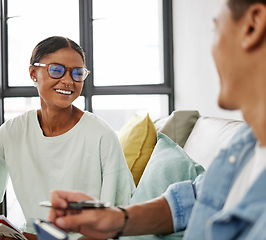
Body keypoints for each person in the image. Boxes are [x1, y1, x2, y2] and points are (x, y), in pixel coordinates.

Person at [48, 0, 266, 239]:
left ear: (253, 26)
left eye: (216, 29)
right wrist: (116, 219)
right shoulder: (245, 145)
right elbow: (190, 202)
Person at [0, 36, 135, 240]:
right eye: (57, 70)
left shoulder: (101, 135)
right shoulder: (14, 131)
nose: (68, 80)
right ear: (33, 73)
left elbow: (113, 227)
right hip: (28, 236)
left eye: (77, 73)